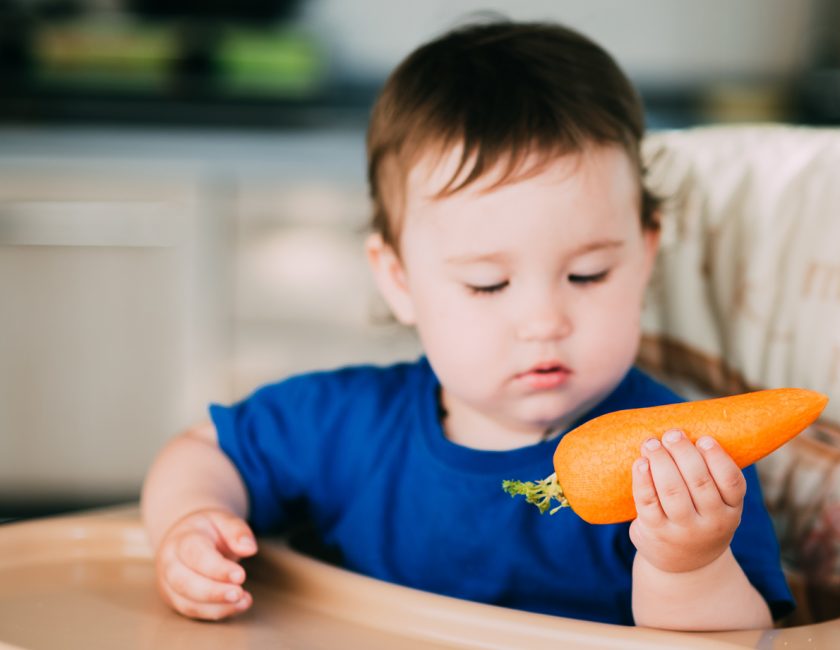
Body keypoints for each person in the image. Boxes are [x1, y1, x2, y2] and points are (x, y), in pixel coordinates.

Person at [140, 19, 792, 631]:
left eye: (588, 274)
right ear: (398, 278)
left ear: (645, 254)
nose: (543, 321)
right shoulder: (346, 426)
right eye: (488, 283)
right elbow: (205, 452)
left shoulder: (684, 466)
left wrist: (690, 564)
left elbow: (744, 640)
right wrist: (191, 525)